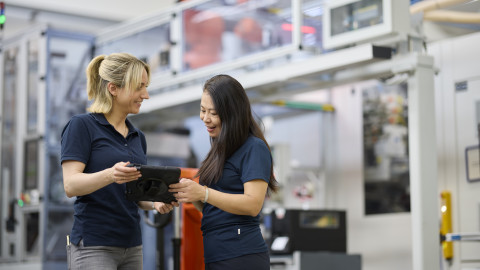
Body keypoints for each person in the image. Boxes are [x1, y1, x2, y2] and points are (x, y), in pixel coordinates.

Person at [61, 52, 177, 270]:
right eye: (139, 87)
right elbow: (70, 185)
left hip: (132, 246)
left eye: (146, 86)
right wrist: (110, 175)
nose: (146, 95)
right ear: (113, 88)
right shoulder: (82, 126)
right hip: (94, 246)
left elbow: (135, 194)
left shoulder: (137, 137)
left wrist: (156, 203)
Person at [169, 74, 278, 270]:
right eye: (202, 110)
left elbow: (252, 204)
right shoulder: (220, 151)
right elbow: (215, 209)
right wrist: (192, 194)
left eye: (213, 113)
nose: (205, 118)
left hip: (241, 255)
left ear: (232, 113)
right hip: (216, 254)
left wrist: (204, 193)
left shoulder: (254, 148)